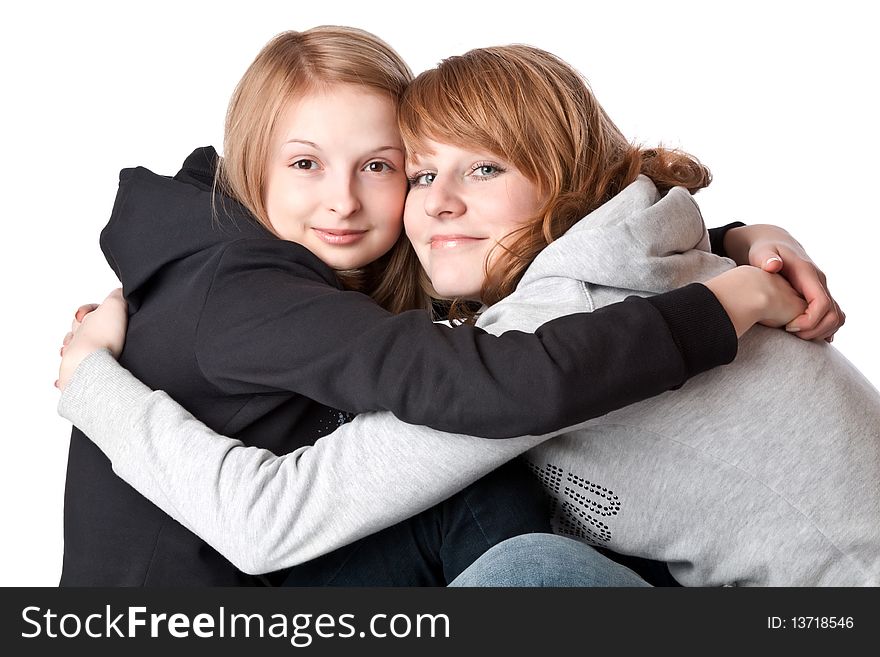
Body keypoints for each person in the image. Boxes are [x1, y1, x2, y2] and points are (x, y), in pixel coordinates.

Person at [57, 33, 828, 586]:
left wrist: (735, 236)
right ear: (250, 168)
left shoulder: (306, 263)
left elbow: (543, 260)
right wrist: (721, 302)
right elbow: (505, 377)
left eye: (384, 168)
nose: (342, 199)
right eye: (304, 164)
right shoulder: (244, 290)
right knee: (489, 496)